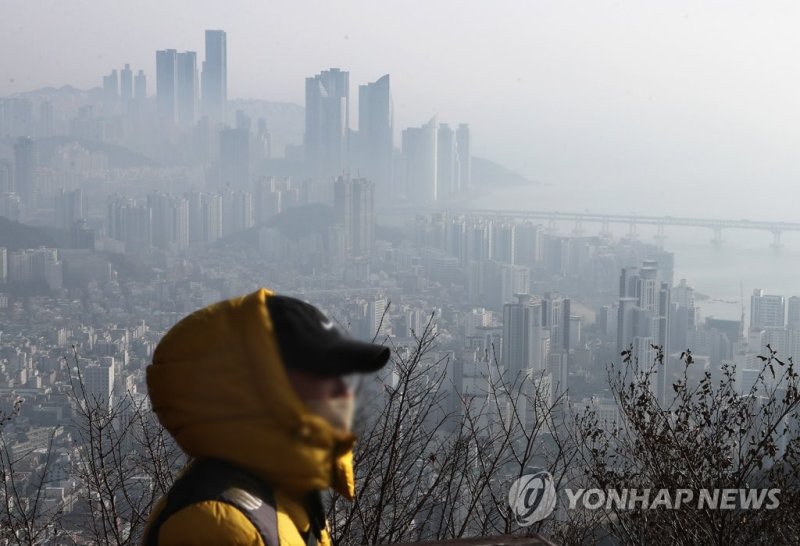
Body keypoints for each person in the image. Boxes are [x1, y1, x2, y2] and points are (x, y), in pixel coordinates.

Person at [142, 288, 391, 545]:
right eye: (322, 372)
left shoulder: (285, 492)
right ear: (260, 387)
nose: (342, 389)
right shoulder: (216, 522)